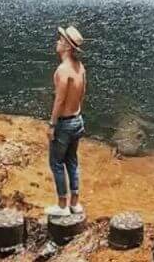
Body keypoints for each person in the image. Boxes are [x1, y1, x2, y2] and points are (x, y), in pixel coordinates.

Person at [46, 24, 86, 218]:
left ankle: (62, 205)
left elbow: (60, 100)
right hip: (78, 120)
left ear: (68, 47)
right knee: (72, 161)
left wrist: (52, 124)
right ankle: (75, 204)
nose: (57, 42)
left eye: (61, 40)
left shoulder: (63, 70)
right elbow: (82, 95)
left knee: (56, 163)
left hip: (64, 123)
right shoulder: (80, 67)